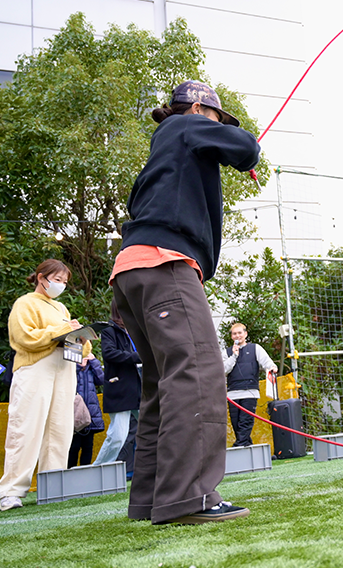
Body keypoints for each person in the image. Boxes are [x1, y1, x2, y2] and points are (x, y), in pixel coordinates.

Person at [110, 80, 260, 525]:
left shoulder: (166, 150)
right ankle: (189, 498)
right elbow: (245, 148)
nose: (214, 127)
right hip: (165, 265)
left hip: (133, 271)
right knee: (197, 373)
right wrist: (244, 145)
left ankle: (154, 500)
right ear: (197, 108)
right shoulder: (184, 126)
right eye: (215, 118)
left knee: (162, 384)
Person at [0, 259, 89, 511]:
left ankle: (54, 487)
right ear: (41, 277)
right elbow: (24, 337)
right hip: (35, 368)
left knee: (60, 429)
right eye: (57, 280)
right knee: (25, 427)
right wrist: (59, 330)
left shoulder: (61, 308)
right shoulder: (24, 303)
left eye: (64, 282)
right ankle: (12, 491)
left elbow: (79, 346)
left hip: (65, 368)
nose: (61, 285)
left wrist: (82, 337)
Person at [93, 299, 141, 472]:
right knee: (118, 437)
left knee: (153, 432)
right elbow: (109, 353)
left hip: (140, 390)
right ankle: (97, 471)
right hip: (120, 390)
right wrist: (137, 356)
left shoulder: (136, 331)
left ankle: (152, 470)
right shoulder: (109, 330)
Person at [223, 322, 278, 447]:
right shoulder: (226, 353)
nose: (237, 336)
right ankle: (247, 447)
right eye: (234, 334)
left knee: (245, 422)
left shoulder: (255, 348)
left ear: (245, 334)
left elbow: (267, 362)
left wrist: (272, 367)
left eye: (240, 333)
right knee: (236, 424)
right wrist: (234, 356)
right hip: (233, 394)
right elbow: (223, 370)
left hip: (250, 392)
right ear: (231, 336)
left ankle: (238, 447)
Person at [67, 354, 106, 468]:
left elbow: (101, 379)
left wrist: (94, 362)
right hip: (75, 413)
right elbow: (67, 379)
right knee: (74, 446)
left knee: (88, 446)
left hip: (91, 412)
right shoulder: (71, 366)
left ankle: (85, 474)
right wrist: (78, 366)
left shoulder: (91, 367)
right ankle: (70, 473)